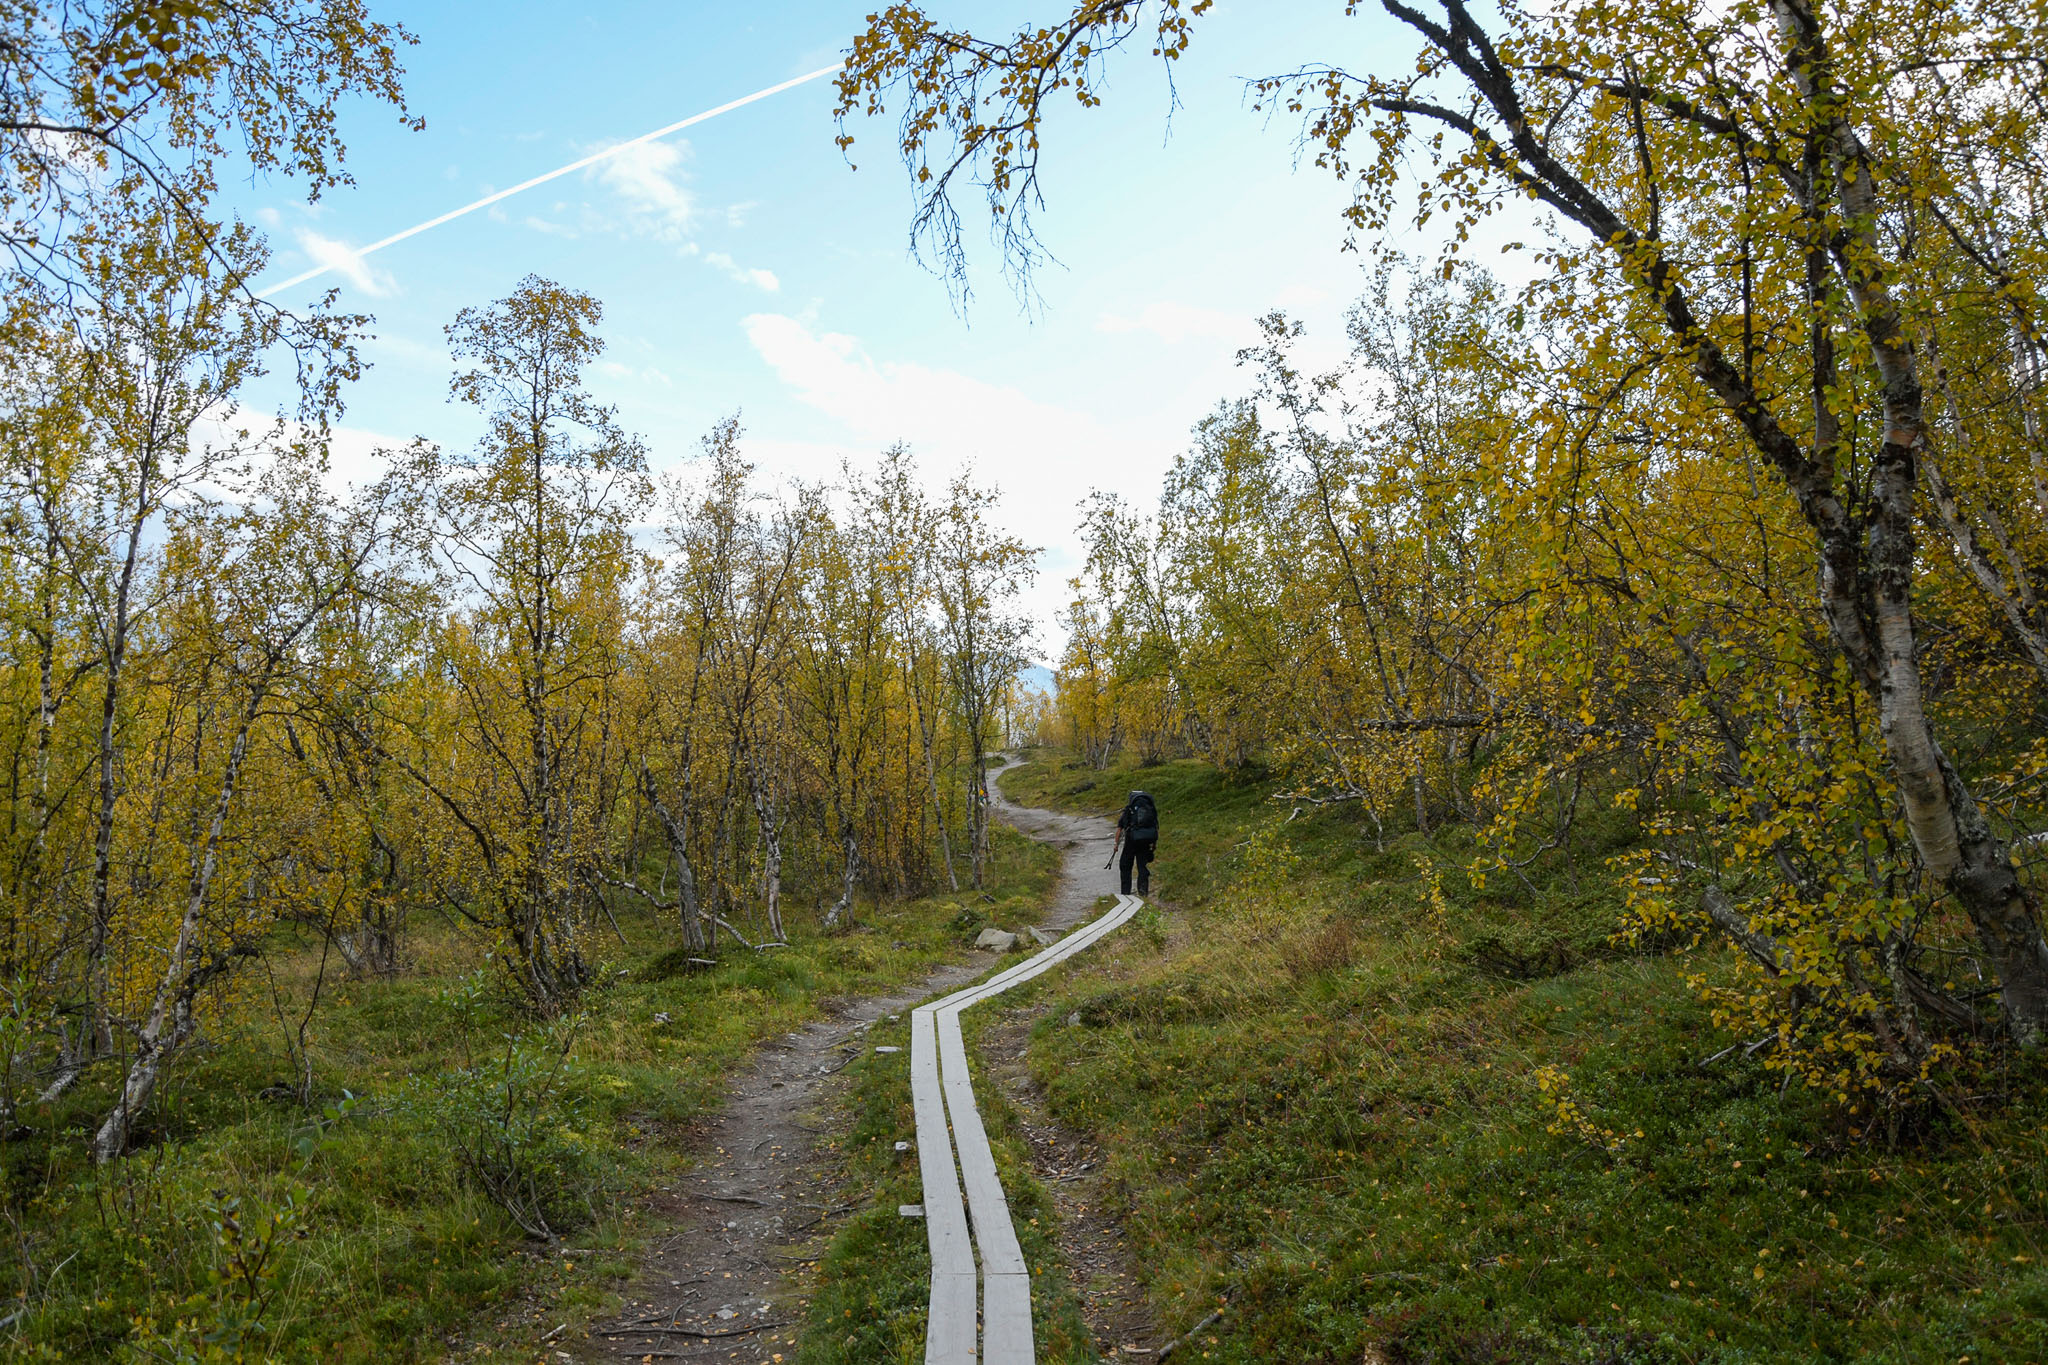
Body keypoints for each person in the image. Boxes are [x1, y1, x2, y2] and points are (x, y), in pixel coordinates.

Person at [1115, 790, 1158, 898]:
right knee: (1142, 866)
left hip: (1131, 841)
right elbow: (1155, 827)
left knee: (1125, 865)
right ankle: (1143, 892)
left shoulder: (1129, 809)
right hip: (1145, 842)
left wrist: (1116, 845)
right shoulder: (1150, 809)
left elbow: (1120, 829)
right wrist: (1153, 844)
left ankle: (1126, 893)